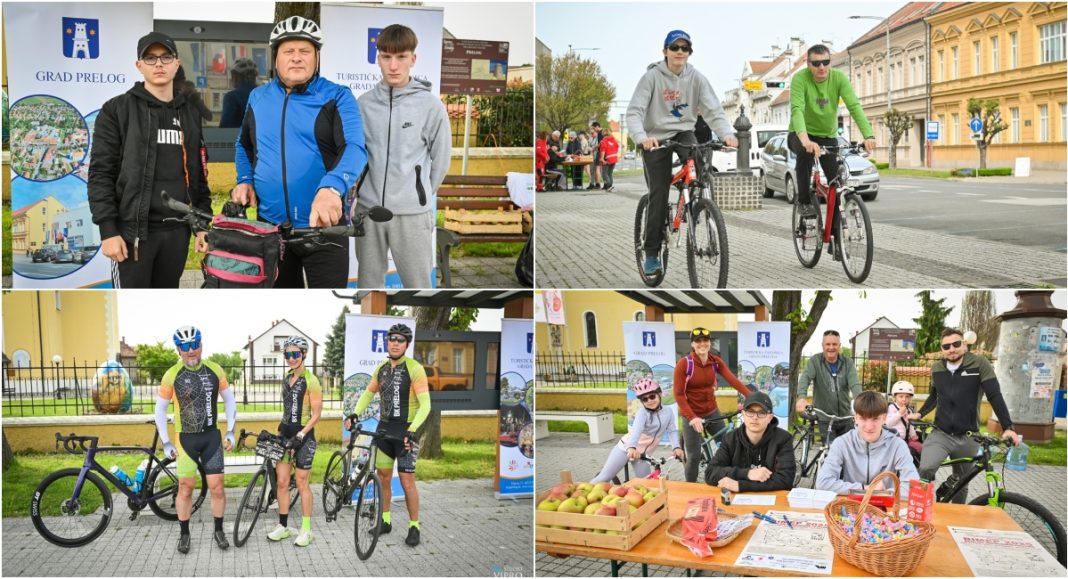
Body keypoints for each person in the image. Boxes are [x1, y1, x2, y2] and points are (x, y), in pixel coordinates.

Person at [234, 16, 367, 288]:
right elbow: (243, 145)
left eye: (305, 51)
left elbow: (355, 148)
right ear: (276, 58)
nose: (297, 58)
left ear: (316, 57)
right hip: (271, 229)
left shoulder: (337, 96)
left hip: (324, 229)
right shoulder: (257, 97)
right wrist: (245, 179)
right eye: (289, 51)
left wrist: (332, 187)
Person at [88, 32, 211, 288]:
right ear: (139, 65)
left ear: (176, 64)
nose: (158, 64)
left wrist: (202, 224)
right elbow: (101, 173)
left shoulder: (189, 113)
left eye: (166, 57)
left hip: (177, 234)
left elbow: (198, 173)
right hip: (133, 236)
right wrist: (108, 230)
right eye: (150, 58)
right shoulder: (117, 110)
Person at [626, 30, 737, 277]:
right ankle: (652, 252)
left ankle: (696, 205)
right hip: (655, 137)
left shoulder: (696, 78)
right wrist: (642, 139)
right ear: (665, 51)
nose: (679, 52)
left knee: (699, 159)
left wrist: (727, 134)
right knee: (659, 190)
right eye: (674, 47)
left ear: (689, 53)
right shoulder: (652, 77)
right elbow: (634, 112)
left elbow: (713, 110)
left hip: (683, 132)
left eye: (684, 48)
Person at [354, 24, 451, 288]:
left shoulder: (430, 106)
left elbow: (441, 160)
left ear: (413, 59)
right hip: (369, 212)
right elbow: (356, 155)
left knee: (419, 287)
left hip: (411, 214)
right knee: (369, 287)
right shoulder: (363, 104)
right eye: (386, 57)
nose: (393, 65)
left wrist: (419, 195)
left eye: (401, 57)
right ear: (378, 59)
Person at [155, 326, 236, 554]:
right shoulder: (172, 374)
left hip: (211, 436)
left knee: (217, 488)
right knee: (185, 488)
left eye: (194, 345)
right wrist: (166, 442)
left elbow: (229, 400)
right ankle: (184, 534)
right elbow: (160, 411)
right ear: (178, 350)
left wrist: (231, 430)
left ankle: (218, 530)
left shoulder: (215, 369)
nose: (191, 351)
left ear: (201, 345)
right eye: (185, 347)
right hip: (185, 439)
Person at [916, 328, 1020, 503]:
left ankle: (956, 518)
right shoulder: (937, 368)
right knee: (926, 468)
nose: (952, 349)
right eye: (946, 346)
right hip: (941, 433)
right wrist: (919, 413)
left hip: (969, 436)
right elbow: (934, 396)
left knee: (962, 481)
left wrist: (1008, 427)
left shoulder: (979, 364)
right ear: (942, 349)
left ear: (964, 344)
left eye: (956, 344)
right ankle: (920, 512)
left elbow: (994, 395)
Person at [351, 323, 430, 547]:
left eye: (400, 340)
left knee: (407, 482)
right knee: (384, 477)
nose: (395, 343)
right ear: (387, 342)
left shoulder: (414, 368)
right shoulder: (382, 368)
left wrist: (413, 430)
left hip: (406, 432)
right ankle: (385, 521)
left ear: (406, 344)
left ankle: (414, 526)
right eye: (392, 339)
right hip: (384, 431)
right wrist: (355, 413)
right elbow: (368, 394)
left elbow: (426, 405)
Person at [788, 44, 876, 220]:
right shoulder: (800, 79)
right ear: (808, 64)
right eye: (816, 63)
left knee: (836, 182)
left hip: (828, 136)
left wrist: (868, 135)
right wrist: (805, 141)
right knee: (805, 155)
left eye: (826, 62)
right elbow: (797, 110)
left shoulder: (838, 78)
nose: (821, 67)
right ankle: (804, 202)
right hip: (800, 134)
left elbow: (854, 106)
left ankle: (837, 239)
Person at [674, 326, 752, 483]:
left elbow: (733, 380)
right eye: (698, 342)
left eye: (705, 341)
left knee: (727, 446)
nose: (702, 344)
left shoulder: (715, 361)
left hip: (711, 411)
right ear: (693, 345)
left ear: (710, 343)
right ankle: (689, 488)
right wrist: (692, 418)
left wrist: (751, 397)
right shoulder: (684, 364)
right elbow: (678, 394)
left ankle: (729, 480)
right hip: (692, 414)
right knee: (694, 456)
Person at [266, 336, 322, 547]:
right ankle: (283, 526)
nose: (291, 358)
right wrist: (281, 429)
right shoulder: (286, 377)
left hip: (304, 437)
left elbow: (316, 414)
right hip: (285, 434)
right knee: (281, 482)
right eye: (288, 354)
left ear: (304, 354)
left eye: (295, 354)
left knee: (301, 483)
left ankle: (306, 530)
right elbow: (287, 409)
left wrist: (301, 435)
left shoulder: (311, 380)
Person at [816, 391, 920, 498]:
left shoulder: (898, 445)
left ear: (884, 418)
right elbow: (823, 482)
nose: (869, 427)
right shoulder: (842, 443)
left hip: (885, 507)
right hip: (850, 506)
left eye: (875, 419)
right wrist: (865, 488)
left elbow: (913, 487)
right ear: (855, 418)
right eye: (863, 418)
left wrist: (882, 494)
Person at [591, 378, 683, 483]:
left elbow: (672, 431)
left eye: (652, 396)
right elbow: (636, 431)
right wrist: (631, 447)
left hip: (644, 455)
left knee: (646, 484)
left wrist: (676, 447)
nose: (649, 401)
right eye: (645, 399)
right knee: (604, 478)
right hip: (626, 448)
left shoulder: (668, 412)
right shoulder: (642, 413)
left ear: (660, 394)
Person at [705, 391, 795, 491]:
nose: (755, 417)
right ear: (743, 414)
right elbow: (710, 473)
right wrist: (747, 473)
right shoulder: (730, 438)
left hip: (771, 500)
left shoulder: (783, 439)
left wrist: (740, 485)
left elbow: (786, 480)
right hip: (736, 502)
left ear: (770, 417)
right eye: (750, 412)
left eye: (761, 413)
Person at [795, 329, 862, 444]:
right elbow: (805, 379)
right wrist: (802, 397)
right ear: (822, 346)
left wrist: (862, 401)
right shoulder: (815, 361)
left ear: (839, 346)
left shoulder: (847, 363)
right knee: (830, 452)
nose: (831, 347)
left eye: (834, 344)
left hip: (845, 417)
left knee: (850, 452)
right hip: (825, 418)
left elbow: (854, 383)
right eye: (828, 344)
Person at [885, 380, 923, 456]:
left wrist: (913, 435)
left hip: (906, 439)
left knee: (920, 447)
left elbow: (910, 425)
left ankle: (917, 466)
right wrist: (899, 413)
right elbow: (888, 423)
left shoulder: (909, 410)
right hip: (894, 439)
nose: (904, 399)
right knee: (906, 451)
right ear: (894, 397)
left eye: (907, 397)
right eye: (901, 396)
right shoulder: (891, 408)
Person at [219, 58, 258, 128]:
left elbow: (225, 128)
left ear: (237, 77)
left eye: (233, 76)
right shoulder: (267, 95)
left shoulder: (231, 97)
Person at [598, 126, 620, 192]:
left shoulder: (604, 141)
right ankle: (610, 185)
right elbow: (617, 147)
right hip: (614, 158)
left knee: (604, 173)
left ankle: (608, 185)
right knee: (610, 173)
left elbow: (603, 150)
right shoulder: (614, 140)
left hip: (607, 158)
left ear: (603, 134)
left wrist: (602, 158)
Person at [588, 122, 603, 190]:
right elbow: (588, 146)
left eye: (592, 129)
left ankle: (598, 183)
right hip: (592, 156)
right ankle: (592, 183)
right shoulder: (591, 138)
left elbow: (599, 145)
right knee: (591, 170)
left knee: (597, 169)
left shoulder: (599, 136)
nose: (591, 130)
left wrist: (594, 148)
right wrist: (591, 149)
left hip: (597, 154)